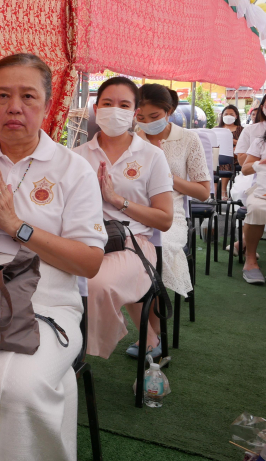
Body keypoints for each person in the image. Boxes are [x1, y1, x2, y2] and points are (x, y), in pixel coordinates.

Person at [0, 53, 106, 461]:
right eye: (2, 96)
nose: (14, 107)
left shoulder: (72, 169)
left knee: (20, 389)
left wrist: (18, 228)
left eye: (28, 96)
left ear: (47, 105)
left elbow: (90, 262)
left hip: (46, 303)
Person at [73, 77, 174, 360]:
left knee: (94, 285)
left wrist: (118, 200)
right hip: (85, 239)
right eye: (107, 103)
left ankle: (80, 355)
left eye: (124, 105)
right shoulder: (77, 156)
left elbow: (165, 219)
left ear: (134, 113)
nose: (115, 110)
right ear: (96, 108)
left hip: (132, 242)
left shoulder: (152, 156)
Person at [134, 83, 209, 307]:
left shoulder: (188, 139)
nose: (147, 123)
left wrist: (165, 173)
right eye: (141, 117)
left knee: (156, 248)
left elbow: (203, 192)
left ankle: (152, 318)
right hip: (134, 211)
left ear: (169, 111)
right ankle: (140, 313)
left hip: (170, 217)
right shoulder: (132, 139)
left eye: (154, 116)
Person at [230, 97, 266, 261]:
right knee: (256, 204)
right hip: (253, 176)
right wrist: (258, 157)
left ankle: (243, 242)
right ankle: (248, 248)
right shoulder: (253, 131)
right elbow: (243, 162)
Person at [239, 129, 266, 284]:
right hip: (261, 190)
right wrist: (258, 164)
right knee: (257, 208)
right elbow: (245, 169)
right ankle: (250, 260)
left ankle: (242, 242)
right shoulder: (260, 142)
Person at [218, 105, 243, 200]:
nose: (228, 116)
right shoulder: (217, 129)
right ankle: (214, 191)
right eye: (226, 114)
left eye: (231, 114)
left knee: (226, 159)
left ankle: (223, 191)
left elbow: (244, 144)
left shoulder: (241, 130)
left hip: (234, 157)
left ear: (236, 116)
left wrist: (231, 140)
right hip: (218, 155)